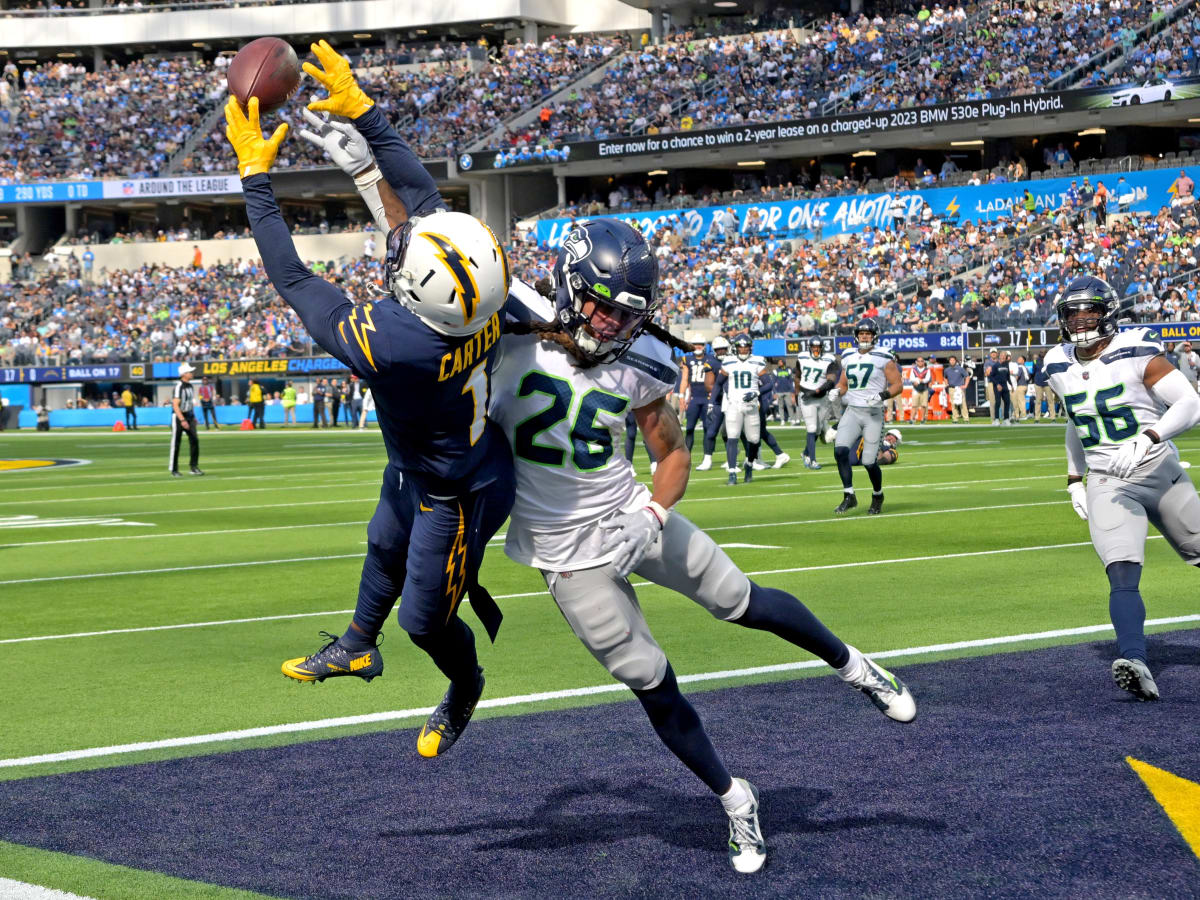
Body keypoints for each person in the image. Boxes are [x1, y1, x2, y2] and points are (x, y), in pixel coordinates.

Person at [493, 221, 916, 874]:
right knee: (651, 683)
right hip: (563, 553)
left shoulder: (641, 359)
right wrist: (368, 156)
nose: (610, 325)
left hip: (627, 516)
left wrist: (656, 512)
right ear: (566, 284)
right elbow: (430, 241)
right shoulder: (509, 310)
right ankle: (733, 798)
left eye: (626, 314)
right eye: (601, 306)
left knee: (738, 599)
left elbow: (674, 454)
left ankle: (854, 664)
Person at [228, 43, 515, 757]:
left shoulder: (396, 344)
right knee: (382, 542)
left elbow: (294, 280)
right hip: (428, 464)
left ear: (417, 294)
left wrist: (254, 178)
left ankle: (466, 684)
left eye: (401, 266)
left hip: (459, 488)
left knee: (425, 619)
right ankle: (358, 643)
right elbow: (421, 202)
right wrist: (369, 117)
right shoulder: (477, 293)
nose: (396, 258)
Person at [1038, 275, 1200, 701]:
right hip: (1108, 480)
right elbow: (1076, 421)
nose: (1080, 319)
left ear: (1107, 311)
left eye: (1089, 309)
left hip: (1158, 469)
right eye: (1072, 312)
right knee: (1121, 571)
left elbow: (1190, 404)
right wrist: (1074, 478)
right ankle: (1136, 661)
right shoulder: (1057, 361)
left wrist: (1149, 436)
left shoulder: (1136, 348)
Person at [832, 318, 902, 515]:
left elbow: (898, 385)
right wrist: (836, 391)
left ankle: (878, 495)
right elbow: (843, 384)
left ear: (874, 336)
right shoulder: (847, 355)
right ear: (856, 335)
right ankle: (849, 495)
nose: (864, 337)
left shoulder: (883, 356)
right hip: (852, 411)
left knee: (869, 462)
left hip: (872, 413)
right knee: (840, 452)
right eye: (862, 334)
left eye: (868, 334)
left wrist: (882, 395)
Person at [713, 335, 768, 485]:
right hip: (734, 404)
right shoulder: (728, 361)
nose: (743, 349)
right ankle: (732, 473)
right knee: (732, 437)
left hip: (751, 406)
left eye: (746, 346)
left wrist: (756, 393)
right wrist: (712, 403)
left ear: (750, 347)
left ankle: (749, 464)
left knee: (754, 440)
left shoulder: (758, 361)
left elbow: (769, 384)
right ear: (735, 347)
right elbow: (718, 383)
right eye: (740, 346)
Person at [794, 336, 840, 469]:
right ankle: (812, 460)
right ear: (809, 348)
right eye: (814, 347)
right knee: (812, 428)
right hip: (806, 397)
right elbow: (797, 377)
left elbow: (831, 381)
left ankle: (805, 452)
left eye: (818, 347)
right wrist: (797, 393)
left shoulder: (829, 359)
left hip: (821, 397)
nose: (816, 349)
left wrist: (817, 391)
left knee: (819, 430)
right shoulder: (802, 358)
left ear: (822, 348)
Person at [680, 333, 716, 465]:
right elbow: (684, 379)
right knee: (689, 428)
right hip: (694, 397)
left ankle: (707, 458)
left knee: (708, 428)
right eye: (696, 344)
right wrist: (682, 396)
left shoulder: (711, 358)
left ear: (705, 346)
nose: (698, 347)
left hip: (708, 398)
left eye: (700, 344)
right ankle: (686, 458)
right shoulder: (687, 359)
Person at [697, 335, 730, 470]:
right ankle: (707, 459)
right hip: (719, 400)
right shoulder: (711, 362)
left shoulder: (733, 360)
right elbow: (709, 385)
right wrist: (724, 392)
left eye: (723, 349)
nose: (721, 351)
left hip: (734, 400)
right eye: (719, 349)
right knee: (711, 431)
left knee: (734, 433)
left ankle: (747, 459)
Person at [169, 363, 203, 477]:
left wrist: (192, 417)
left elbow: (189, 403)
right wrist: (182, 420)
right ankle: (174, 469)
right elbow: (175, 405)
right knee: (176, 443)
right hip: (179, 417)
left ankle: (194, 466)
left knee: (195, 440)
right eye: (190, 372)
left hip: (189, 415)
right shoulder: (179, 386)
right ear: (184, 374)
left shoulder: (190, 386)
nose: (192, 373)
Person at [943, 354, 971, 422]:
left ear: (956, 361)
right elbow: (945, 377)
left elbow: (967, 377)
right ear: (949, 361)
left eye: (953, 360)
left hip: (959, 388)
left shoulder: (960, 369)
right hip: (951, 388)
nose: (952, 361)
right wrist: (946, 383)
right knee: (953, 404)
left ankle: (966, 419)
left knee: (962, 404)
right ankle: (955, 419)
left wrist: (965, 385)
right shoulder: (947, 370)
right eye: (951, 360)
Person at [989, 350, 1013, 425]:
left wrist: (1011, 384)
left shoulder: (1006, 365)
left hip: (1005, 386)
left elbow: (1008, 376)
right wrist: (997, 384)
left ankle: (1006, 419)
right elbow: (991, 376)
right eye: (1002, 355)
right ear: (999, 356)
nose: (1003, 356)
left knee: (1007, 402)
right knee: (998, 402)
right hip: (997, 387)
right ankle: (996, 419)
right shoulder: (995, 365)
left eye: (1004, 355)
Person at [909, 355, 931, 423]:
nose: (920, 362)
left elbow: (927, 379)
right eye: (919, 361)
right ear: (916, 362)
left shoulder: (927, 370)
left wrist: (919, 380)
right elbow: (911, 378)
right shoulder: (914, 370)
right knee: (914, 405)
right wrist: (917, 380)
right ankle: (912, 419)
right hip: (916, 389)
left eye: (922, 361)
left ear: (924, 362)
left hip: (924, 389)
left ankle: (922, 419)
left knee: (923, 405)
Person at [1012, 354, 1030, 420]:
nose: (1018, 359)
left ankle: (1024, 415)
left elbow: (1017, 376)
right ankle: (1015, 414)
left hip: (1020, 386)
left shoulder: (1019, 367)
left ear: (1023, 361)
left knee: (1021, 401)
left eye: (1019, 359)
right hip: (1025, 386)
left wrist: (1012, 383)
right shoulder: (1025, 368)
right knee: (1017, 401)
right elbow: (1028, 377)